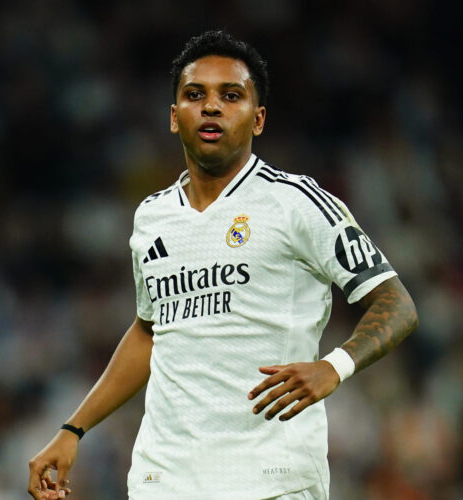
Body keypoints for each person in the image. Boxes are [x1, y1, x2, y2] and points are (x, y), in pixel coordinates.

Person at [27, 30, 418, 500]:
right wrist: (73, 429)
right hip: (165, 479)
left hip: (271, 479)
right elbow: (150, 332)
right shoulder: (152, 217)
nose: (211, 107)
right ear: (174, 118)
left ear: (258, 119)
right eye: (195, 95)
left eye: (231, 96)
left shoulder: (296, 203)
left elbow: (396, 303)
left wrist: (334, 366)